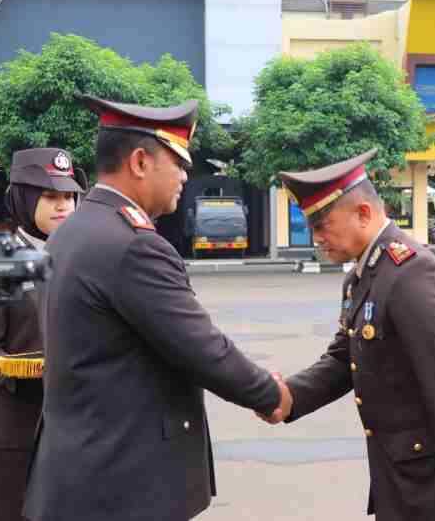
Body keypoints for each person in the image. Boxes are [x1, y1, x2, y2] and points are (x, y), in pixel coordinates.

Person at [23, 96, 290, 521]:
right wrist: (271, 394)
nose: (186, 174)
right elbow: (200, 346)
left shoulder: (70, 232)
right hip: (122, 486)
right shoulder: (133, 245)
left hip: (78, 474)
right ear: (141, 162)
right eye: (179, 162)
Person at [262, 149, 435, 521]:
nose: (316, 238)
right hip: (400, 473)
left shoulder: (412, 275)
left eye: (323, 226)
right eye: (311, 227)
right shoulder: (363, 275)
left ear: (363, 213)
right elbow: (342, 359)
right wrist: (289, 397)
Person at [0, 148, 85, 521]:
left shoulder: (86, 260)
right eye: (50, 196)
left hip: (80, 437)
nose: (62, 205)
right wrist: (22, 367)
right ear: (23, 198)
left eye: (69, 195)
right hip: (21, 439)